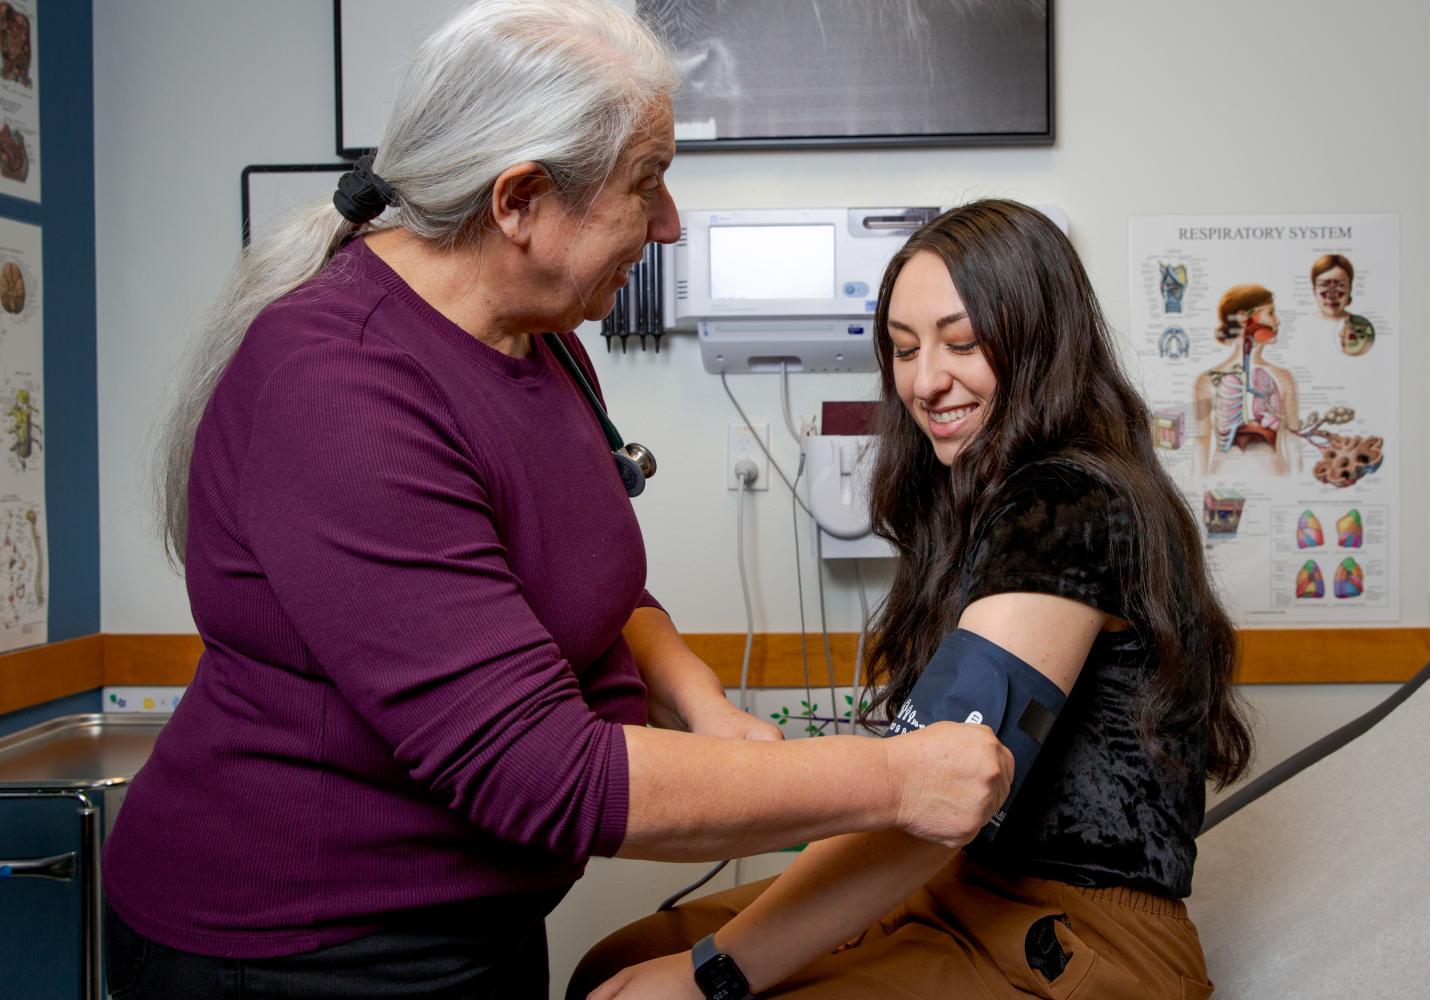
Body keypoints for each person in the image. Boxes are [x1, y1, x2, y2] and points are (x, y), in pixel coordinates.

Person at [100, 4, 1012, 998]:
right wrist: (891, 779)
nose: (668, 224)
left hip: (469, 917)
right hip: (300, 947)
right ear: (520, 201)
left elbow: (585, 586)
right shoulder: (338, 389)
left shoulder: (544, 342)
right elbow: (540, 770)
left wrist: (701, 702)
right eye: (645, 183)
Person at [570, 200, 1254, 1000]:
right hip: (959, 883)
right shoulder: (981, 503)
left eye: (962, 343)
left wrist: (708, 977)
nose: (926, 380)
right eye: (903, 349)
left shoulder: (1068, 506)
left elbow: (936, 806)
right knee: (614, 966)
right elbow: (917, 789)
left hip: (1084, 933)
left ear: (1040, 342)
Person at [1194, 283, 1300, 476]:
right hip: (1224, 487)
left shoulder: (1284, 378)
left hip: (1276, 485)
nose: (1277, 321)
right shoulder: (1207, 381)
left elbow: (1293, 441)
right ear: (1244, 317)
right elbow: (1201, 444)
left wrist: (1300, 492)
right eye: (1271, 313)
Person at [1309, 253, 1375, 356]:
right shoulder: (1305, 324)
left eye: (1340, 286)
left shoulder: (1362, 325)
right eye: (1323, 285)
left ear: (1350, 289)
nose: (1331, 296)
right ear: (1314, 290)